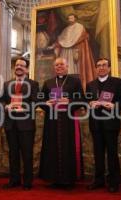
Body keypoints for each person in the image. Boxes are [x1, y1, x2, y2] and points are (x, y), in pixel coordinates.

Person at [39, 57, 84, 189]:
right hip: (52, 120)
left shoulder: (75, 81)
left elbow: (81, 99)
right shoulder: (48, 82)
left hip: (68, 120)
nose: (59, 66)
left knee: (68, 147)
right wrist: (46, 103)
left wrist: (69, 101)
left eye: (62, 64)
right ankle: (53, 178)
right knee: (52, 147)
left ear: (67, 66)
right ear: (54, 67)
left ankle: (68, 179)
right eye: (57, 65)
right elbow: (41, 101)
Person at [1, 57, 39, 190]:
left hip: (26, 124)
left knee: (27, 154)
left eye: (22, 65)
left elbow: (35, 102)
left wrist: (23, 107)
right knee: (13, 153)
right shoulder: (7, 84)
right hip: (10, 124)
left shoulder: (33, 84)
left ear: (27, 69)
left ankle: (27, 181)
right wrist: (6, 106)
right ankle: (14, 180)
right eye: (17, 65)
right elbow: (2, 101)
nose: (19, 67)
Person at [86, 58, 121, 193]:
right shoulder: (90, 84)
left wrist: (114, 105)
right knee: (98, 154)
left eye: (104, 65)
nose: (101, 67)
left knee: (112, 154)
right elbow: (87, 99)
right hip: (95, 124)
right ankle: (99, 180)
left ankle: (114, 182)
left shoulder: (117, 82)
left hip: (111, 123)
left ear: (109, 68)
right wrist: (90, 103)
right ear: (96, 68)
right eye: (98, 65)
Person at [48, 14, 96, 87]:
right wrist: (55, 45)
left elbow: (81, 38)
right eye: (69, 18)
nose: (70, 19)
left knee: (74, 70)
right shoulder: (66, 29)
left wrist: (74, 44)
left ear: (75, 19)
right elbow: (61, 40)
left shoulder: (79, 27)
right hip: (66, 51)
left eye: (72, 18)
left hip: (75, 51)